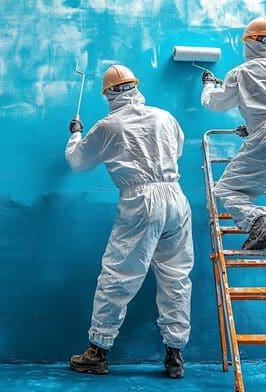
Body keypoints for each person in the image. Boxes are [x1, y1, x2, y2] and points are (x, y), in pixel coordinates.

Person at [65, 64, 194, 379]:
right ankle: (175, 355)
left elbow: (77, 163)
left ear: (107, 93)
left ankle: (97, 352)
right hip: (176, 196)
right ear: (135, 86)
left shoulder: (108, 126)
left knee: (119, 274)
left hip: (140, 201)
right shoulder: (164, 116)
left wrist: (75, 135)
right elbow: (176, 149)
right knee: (176, 277)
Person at [201, 16, 266, 250]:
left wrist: (209, 85)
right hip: (260, 132)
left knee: (228, 188)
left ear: (250, 42)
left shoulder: (241, 73)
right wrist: (251, 128)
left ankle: (259, 221)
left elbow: (215, 103)